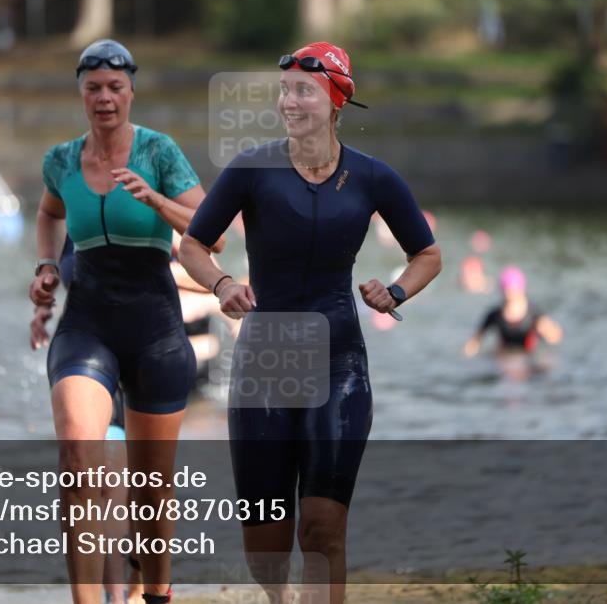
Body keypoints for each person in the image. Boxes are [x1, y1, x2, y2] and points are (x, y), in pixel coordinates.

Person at [179, 42, 442, 604]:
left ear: (337, 100)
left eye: (304, 91)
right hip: (263, 364)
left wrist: (394, 291)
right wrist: (223, 285)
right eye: (285, 90)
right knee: (267, 551)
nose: (289, 102)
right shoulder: (252, 169)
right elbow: (194, 245)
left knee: (322, 530)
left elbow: (429, 254)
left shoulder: (373, 178)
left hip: (337, 361)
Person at [27, 39, 223, 604]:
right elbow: (48, 212)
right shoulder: (62, 159)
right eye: (94, 88)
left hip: (155, 329)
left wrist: (158, 200)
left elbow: (213, 232)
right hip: (85, 324)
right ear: (81, 94)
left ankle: (155, 594)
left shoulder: (159, 152)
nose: (105, 97)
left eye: (115, 87)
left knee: (151, 493)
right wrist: (45, 266)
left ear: (131, 92)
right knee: (78, 463)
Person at [30, 234, 141, 604]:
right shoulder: (77, 218)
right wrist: (43, 309)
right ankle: (114, 595)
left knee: (143, 491)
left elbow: (204, 268)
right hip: (88, 354)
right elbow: (67, 275)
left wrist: (166, 277)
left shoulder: (150, 204)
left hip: (145, 349)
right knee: (100, 477)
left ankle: (141, 588)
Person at [463, 265, 562, 356]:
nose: (510, 295)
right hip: (504, 355)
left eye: (513, 292)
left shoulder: (533, 313)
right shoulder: (495, 314)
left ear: (521, 291)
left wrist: (546, 332)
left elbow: (555, 336)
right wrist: (469, 350)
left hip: (527, 356)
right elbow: (476, 338)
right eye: (507, 292)